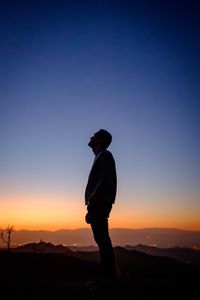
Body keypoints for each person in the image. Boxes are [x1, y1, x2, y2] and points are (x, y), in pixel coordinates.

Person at [85, 129, 118, 289]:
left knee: (103, 240)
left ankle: (109, 279)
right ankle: (109, 277)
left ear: (99, 140)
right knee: (102, 239)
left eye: (94, 135)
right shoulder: (101, 156)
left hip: (99, 203)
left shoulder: (105, 155)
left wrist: (92, 200)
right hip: (98, 204)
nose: (91, 137)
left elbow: (105, 181)